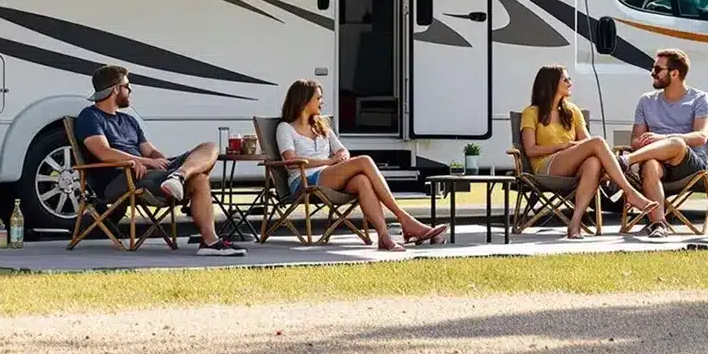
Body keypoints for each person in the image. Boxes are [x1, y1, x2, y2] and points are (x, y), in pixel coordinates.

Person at [74, 65, 245, 256]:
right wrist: (141, 161)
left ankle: (179, 178)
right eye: (127, 86)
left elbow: (150, 151)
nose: (130, 91)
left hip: (145, 172)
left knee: (210, 147)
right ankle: (210, 241)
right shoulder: (90, 117)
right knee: (200, 179)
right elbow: (104, 152)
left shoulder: (129, 120)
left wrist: (162, 161)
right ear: (115, 89)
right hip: (122, 177)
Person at [275, 79, 447, 251]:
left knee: (362, 180)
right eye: (318, 98)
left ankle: (383, 236)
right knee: (364, 160)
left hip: (328, 176)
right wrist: (329, 161)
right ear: (304, 100)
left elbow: (343, 151)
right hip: (304, 181)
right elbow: (290, 161)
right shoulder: (286, 128)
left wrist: (341, 156)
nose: (322, 102)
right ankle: (404, 219)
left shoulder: (321, 125)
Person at [517, 66, 658, 238]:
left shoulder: (572, 111)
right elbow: (530, 150)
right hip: (546, 167)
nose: (570, 83)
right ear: (552, 83)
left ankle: (574, 224)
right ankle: (629, 192)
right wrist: (561, 147)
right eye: (566, 80)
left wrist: (580, 151)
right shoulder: (531, 113)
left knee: (594, 162)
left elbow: (587, 143)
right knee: (597, 142)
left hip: (572, 165)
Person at [618, 48, 708, 237]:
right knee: (651, 165)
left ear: (675, 73)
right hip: (657, 162)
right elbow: (635, 140)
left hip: (690, 165)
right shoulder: (646, 101)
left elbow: (701, 136)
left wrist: (663, 138)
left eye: (657, 69)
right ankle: (659, 224)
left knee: (677, 142)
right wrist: (646, 143)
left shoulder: (700, 99)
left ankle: (624, 161)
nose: (652, 73)